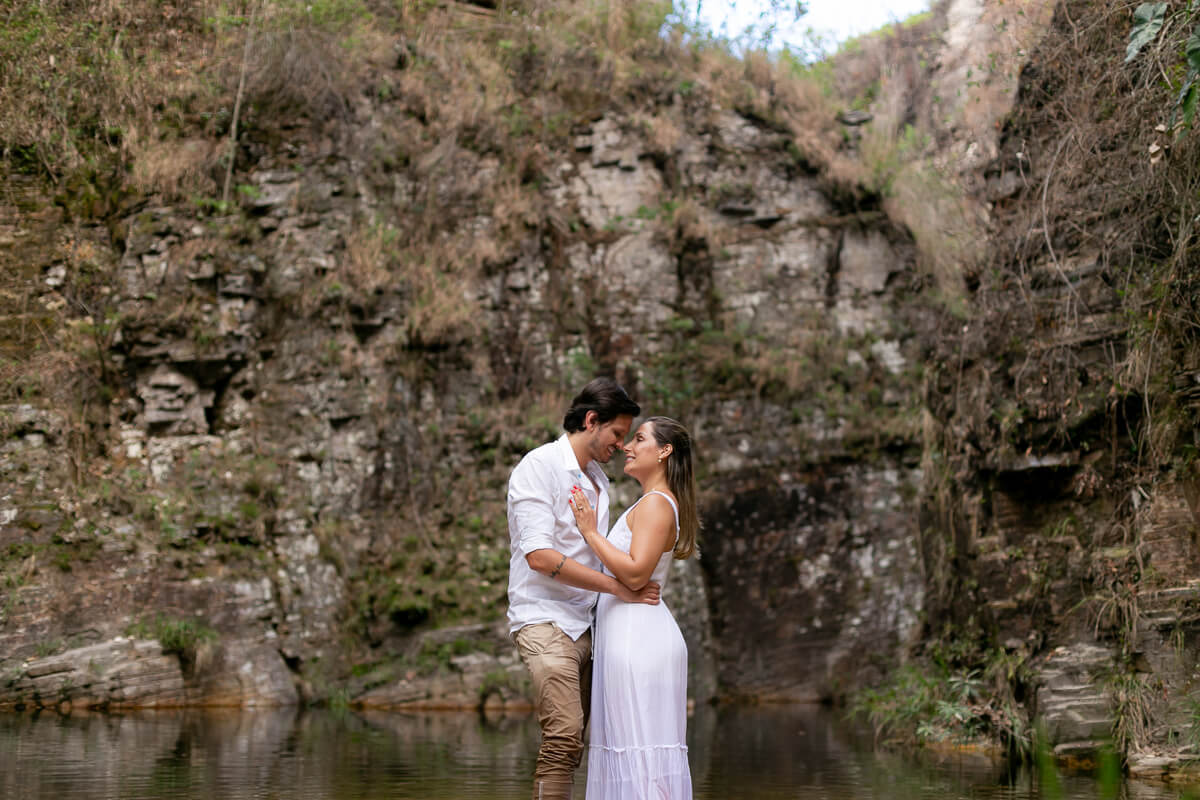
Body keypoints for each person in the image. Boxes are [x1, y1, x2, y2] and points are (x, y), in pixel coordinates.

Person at [507, 378, 661, 800]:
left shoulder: (597, 479)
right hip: (543, 620)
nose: (621, 445)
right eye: (617, 434)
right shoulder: (539, 467)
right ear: (591, 421)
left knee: (573, 747)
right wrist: (618, 588)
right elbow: (539, 556)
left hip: (589, 628)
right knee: (563, 734)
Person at [568, 416, 698, 800]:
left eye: (639, 439)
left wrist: (589, 532)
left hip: (639, 640)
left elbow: (637, 574)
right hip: (629, 635)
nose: (627, 446)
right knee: (631, 749)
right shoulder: (651, 502)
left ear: (664, 451)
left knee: (638, 748)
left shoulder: (657, 504)